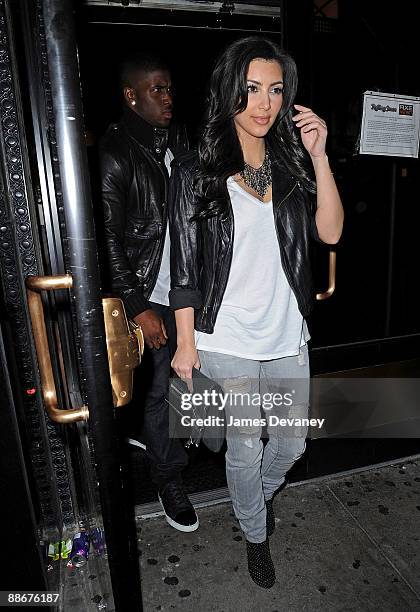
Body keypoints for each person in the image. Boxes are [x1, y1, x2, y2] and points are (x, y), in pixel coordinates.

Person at [168, 37, 343, 586]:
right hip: (228, 338)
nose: (264, 104)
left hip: (287, 332)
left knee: (290, 442)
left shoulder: (291, 164)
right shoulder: (198, 169)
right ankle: (255, 533)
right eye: (250, 90)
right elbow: (184, 267)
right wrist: (186, 343)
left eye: (274, 90)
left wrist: (320, 155)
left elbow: (331, 231)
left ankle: (255, 502)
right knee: (245, 446)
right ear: (229, 92)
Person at [99, 52, 198, 532]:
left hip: (185, 288)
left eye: (170, 88)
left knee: (183, 380)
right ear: (130, 96)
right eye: (156, 89)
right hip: (149, 294)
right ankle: (168, 477)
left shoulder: (177, 141)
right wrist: (138, 307)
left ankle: (163, 440)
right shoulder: (115, 155)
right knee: (158, 390)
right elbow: (107, 242)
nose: (167, 97)